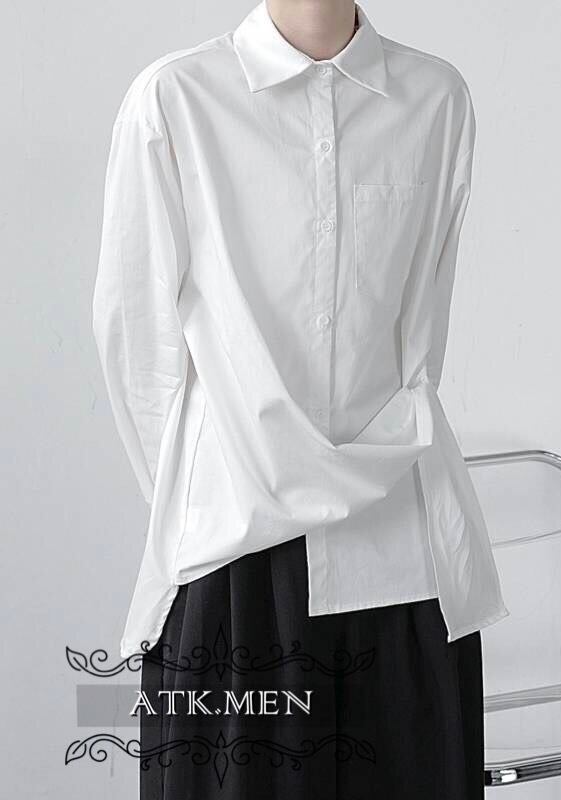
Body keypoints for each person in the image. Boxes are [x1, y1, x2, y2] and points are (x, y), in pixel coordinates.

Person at [91, 1, 508, 797]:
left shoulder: (436, 98)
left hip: (400, 552)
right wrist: (213, 492)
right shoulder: (177, 98)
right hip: (234, 558)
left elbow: (424, 324)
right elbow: (136, 344)